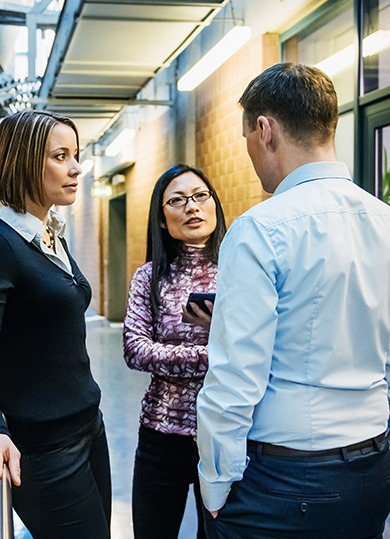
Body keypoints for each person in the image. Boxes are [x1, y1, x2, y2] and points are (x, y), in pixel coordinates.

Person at [196, 62, 390, 539]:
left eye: (245, 140)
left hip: (284, 482)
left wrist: (215, 484)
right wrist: (384, 444)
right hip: (372, 471)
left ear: (265, 130)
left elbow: (235, 376)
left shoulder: (259, 230)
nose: (250, 155)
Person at [0, 110, 111, 538]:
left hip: (88, 429)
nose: (76, 167)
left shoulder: (49, 234)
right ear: (24, 162)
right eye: (61, 156)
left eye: (75, 154)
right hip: (46, 450)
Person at [123, 165, 227, 539]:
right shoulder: (149, 277)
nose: (192, 207)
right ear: (163, 219)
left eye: (201, 196)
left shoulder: (242, 270)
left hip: (226, 433)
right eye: (177, 200)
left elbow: (267, 348)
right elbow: (135, 350)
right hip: (160, 437)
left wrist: (209, 340)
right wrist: (213, 353)